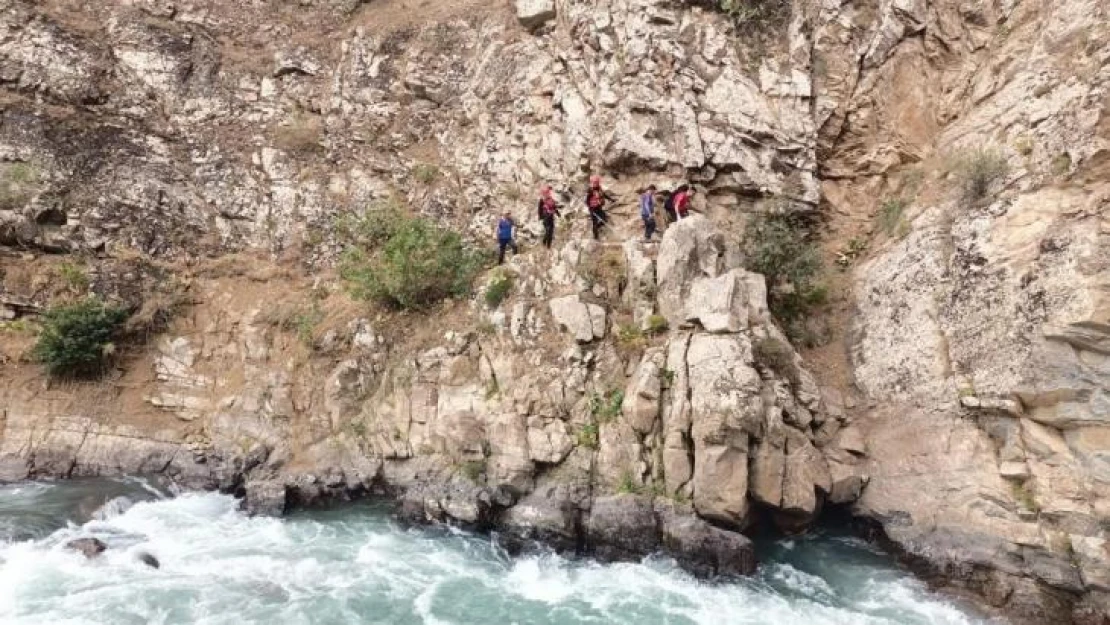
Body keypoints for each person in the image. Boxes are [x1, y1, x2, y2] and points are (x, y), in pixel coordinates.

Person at [584, 175, 614, 240]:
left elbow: (604, 195)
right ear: (592, 183)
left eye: (597, 182)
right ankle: (595, 237)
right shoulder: (590, 191)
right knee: (594, 222)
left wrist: (611, 199)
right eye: (594, 182)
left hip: (599, 208)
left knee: (604, 219)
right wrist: (590, 209)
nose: (596, 183)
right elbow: (586, 201)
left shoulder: (599, 189)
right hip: (593, 209)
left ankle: (596, 228)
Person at [537, 184, 561, 248]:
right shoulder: (542, 200)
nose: (549, 192)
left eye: (549, 192)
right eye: (548, 192)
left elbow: (554, 207)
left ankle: (548, 246)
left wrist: (558, 213)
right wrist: (540, 217)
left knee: (551, 232)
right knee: (548, 231)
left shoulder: (551, 199)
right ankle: (545, 242)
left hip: (551, 217)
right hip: (546, 217)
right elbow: (539, 209)